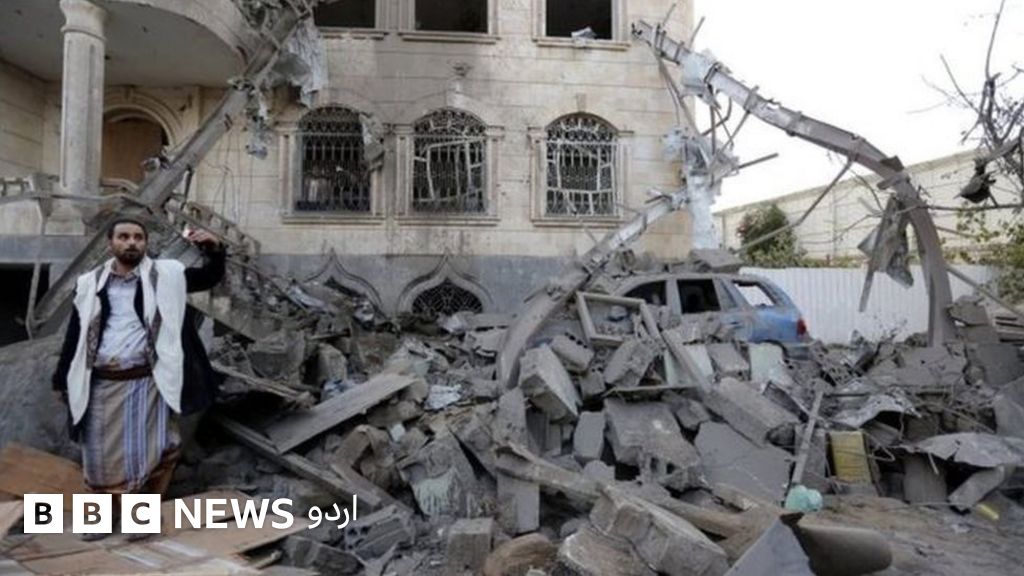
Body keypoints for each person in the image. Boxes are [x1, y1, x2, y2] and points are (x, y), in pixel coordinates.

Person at [52, 217, 225, 540]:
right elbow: (75, 334)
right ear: (111, 243)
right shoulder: (90, 284)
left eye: (137, 237)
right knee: (97, 458)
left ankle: (139, 522)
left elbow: (209, 277)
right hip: (100, 384)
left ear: (146, 243)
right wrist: (61, 379)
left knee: (145, 455)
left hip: (146, 384)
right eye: (123, 236)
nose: (131, 242)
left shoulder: (166, 276)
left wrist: (214, 251)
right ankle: (98, 522)